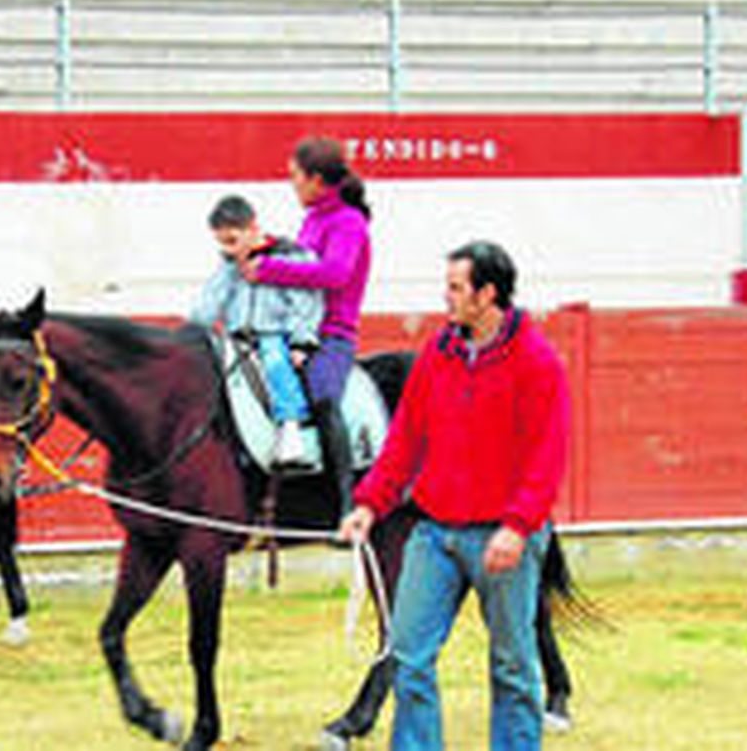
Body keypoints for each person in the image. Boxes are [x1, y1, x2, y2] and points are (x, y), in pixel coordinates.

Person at [337, 241, 569, 751]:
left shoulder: (536, 363)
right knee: (408, 654)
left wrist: (517, 526)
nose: (446, 297)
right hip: (435, 532)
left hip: (503, 537)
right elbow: (405, 438)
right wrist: (370, 503)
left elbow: (546, 458)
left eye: (456, 287)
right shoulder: (438, 355)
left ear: (487, 294)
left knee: (511, 664)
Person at [242, 137, 372, 511]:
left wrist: (269, 270)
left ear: (317, 180)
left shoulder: (348, 222)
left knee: (323, 395)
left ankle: (347, 501)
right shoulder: (313, 219)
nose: (293, 184)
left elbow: (334, 273)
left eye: (296, 176)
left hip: (333, 334)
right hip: (295, 329)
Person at [188, 194, 324, 465]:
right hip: (236, 337)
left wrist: (301, 341)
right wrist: (229, 269)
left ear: (252, 228)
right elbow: (205, 311)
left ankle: (290, 428)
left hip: (274, 334)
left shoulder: (291, 255)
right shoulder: (229, 265)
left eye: (232, 240)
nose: (227, 249)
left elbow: (306, 304)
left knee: (275, 361)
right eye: (221, 242)